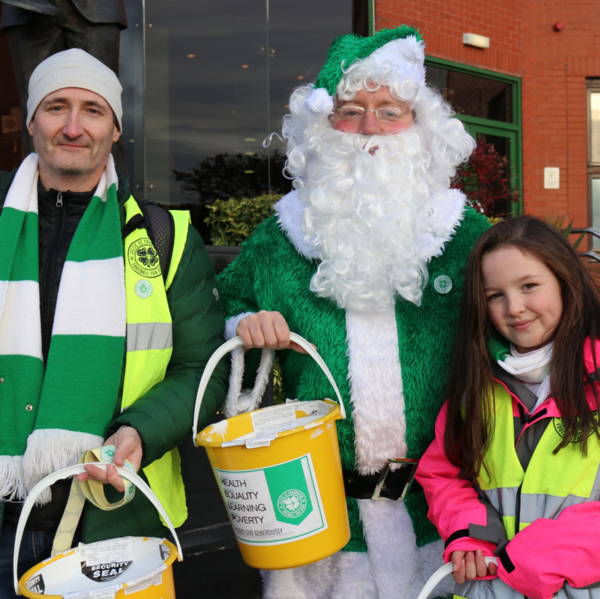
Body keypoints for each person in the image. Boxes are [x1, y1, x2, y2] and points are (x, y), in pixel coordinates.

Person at [218, 26, 489, 598]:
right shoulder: (281, 235)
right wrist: (243, 327)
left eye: (389, 111)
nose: (370, 129)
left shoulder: (464, 233)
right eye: (351, 111)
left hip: (445, 522)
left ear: (418, 127)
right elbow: (231, 303)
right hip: (317, 526)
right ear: (323, 126)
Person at [0, 48, 227, 590]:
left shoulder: (164, 237)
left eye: (92, 110)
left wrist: (139, 433)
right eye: (56, 107)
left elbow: (203, 369)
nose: (73, 127)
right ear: (32, 120)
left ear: (116, 128)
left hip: (110, 513)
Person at [415, 216, 600, 599]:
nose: (514, 307)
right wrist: (470, 532)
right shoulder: (477, 388)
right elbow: (445, 474)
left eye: (529, 286)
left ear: (565, 282)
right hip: (492, 590)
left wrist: (558, 551)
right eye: (494, 295)